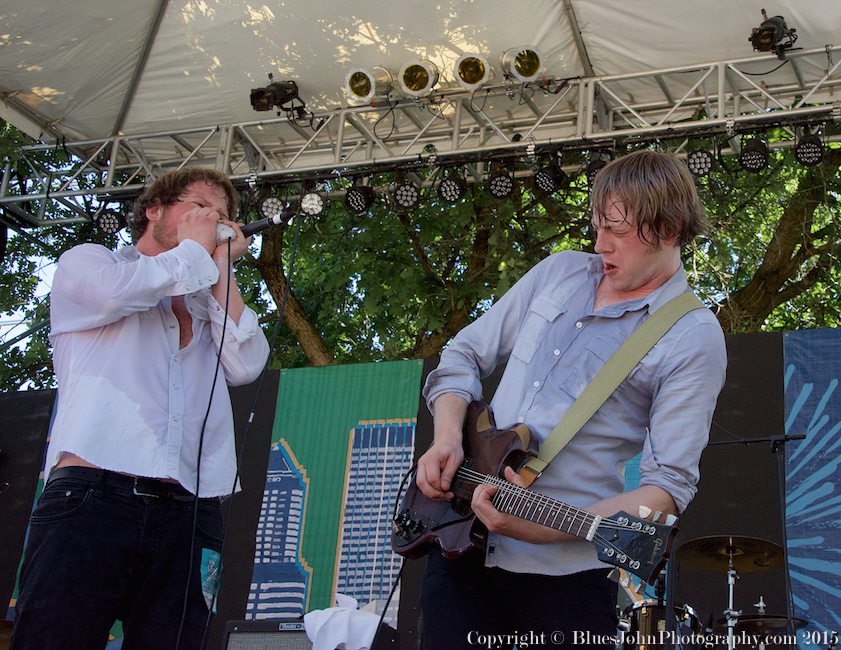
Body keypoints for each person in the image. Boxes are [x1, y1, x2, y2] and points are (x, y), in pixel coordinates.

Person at [416, 150, 728, 649]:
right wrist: (448, 438)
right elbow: (462, 355)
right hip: (460, 550)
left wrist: (540, 530)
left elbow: (666, 490)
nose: (599, 244)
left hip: (566, 584)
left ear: (668, 229)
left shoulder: (693, 337)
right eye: (597, 226)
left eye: (617, 231)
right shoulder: (559, 272)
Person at [11, 168, 270, 650]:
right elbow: (115, 294)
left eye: (223, 216)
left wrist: (223, 271)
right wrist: (195, 253)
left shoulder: (204, 298)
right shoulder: (92, 263)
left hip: (190, 508)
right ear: (154, 209)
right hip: (91, 494)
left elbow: (246, 363)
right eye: (199, 206)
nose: (213, 220)